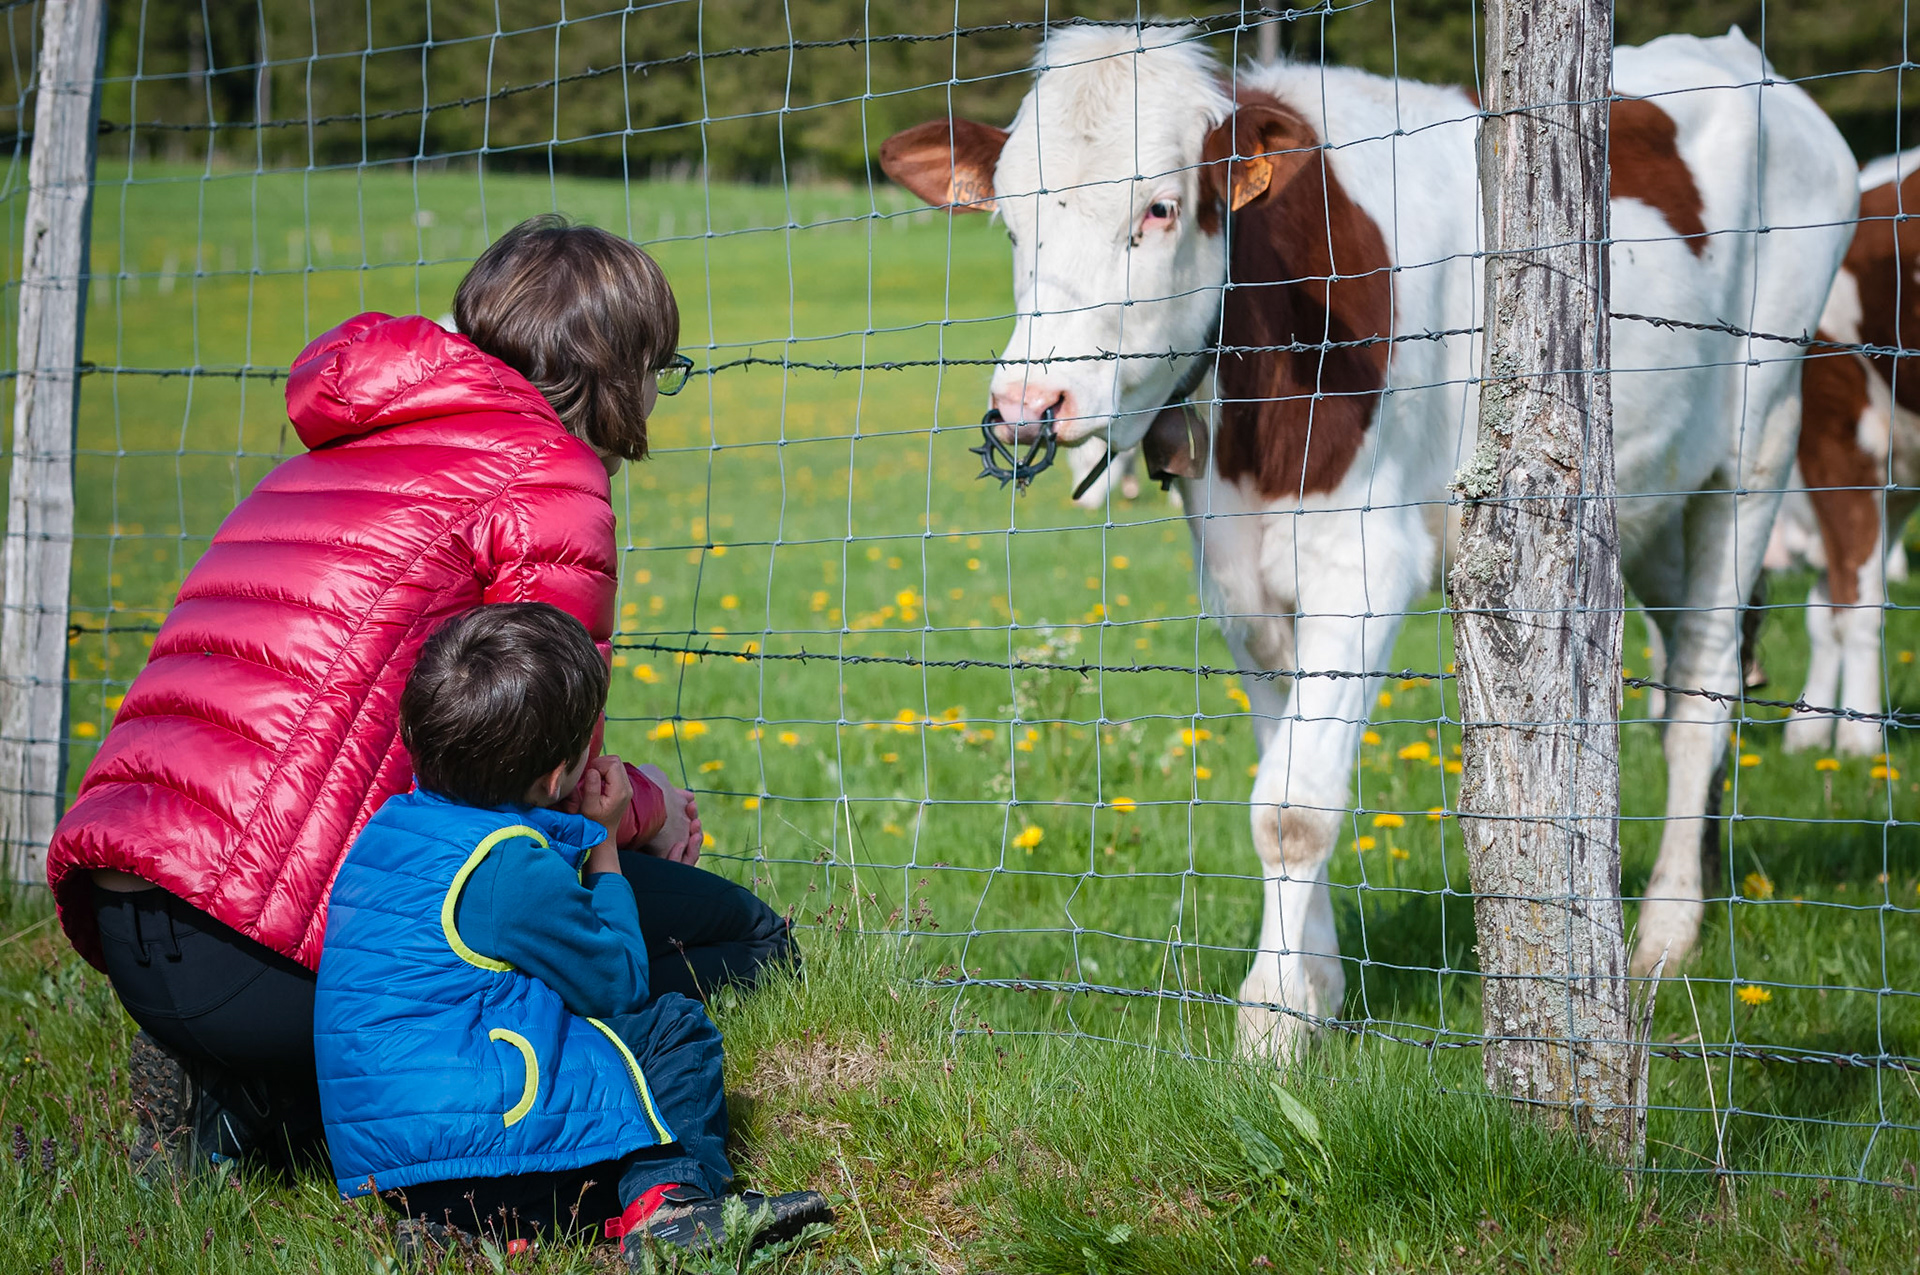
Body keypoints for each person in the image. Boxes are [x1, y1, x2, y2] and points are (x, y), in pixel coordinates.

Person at [44, 215, 796, 1176]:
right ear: (623, 369)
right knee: (746, 946)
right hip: (258, 943)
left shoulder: (344, 446)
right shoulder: (548, 475)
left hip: (132, 913)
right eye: (663, 368)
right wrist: (644, 810)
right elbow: (544, 777)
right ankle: (381, 1102)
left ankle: (247, 1094)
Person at [316, 603, 829, 1256]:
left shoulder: (391, 831)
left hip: (398, 1160)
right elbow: (618, 983)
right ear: (556, 775)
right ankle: (669, 1207)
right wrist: (607, 842)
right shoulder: (507, 867)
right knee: (672, 1029)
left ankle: (466, 1229)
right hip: (492, 1153)